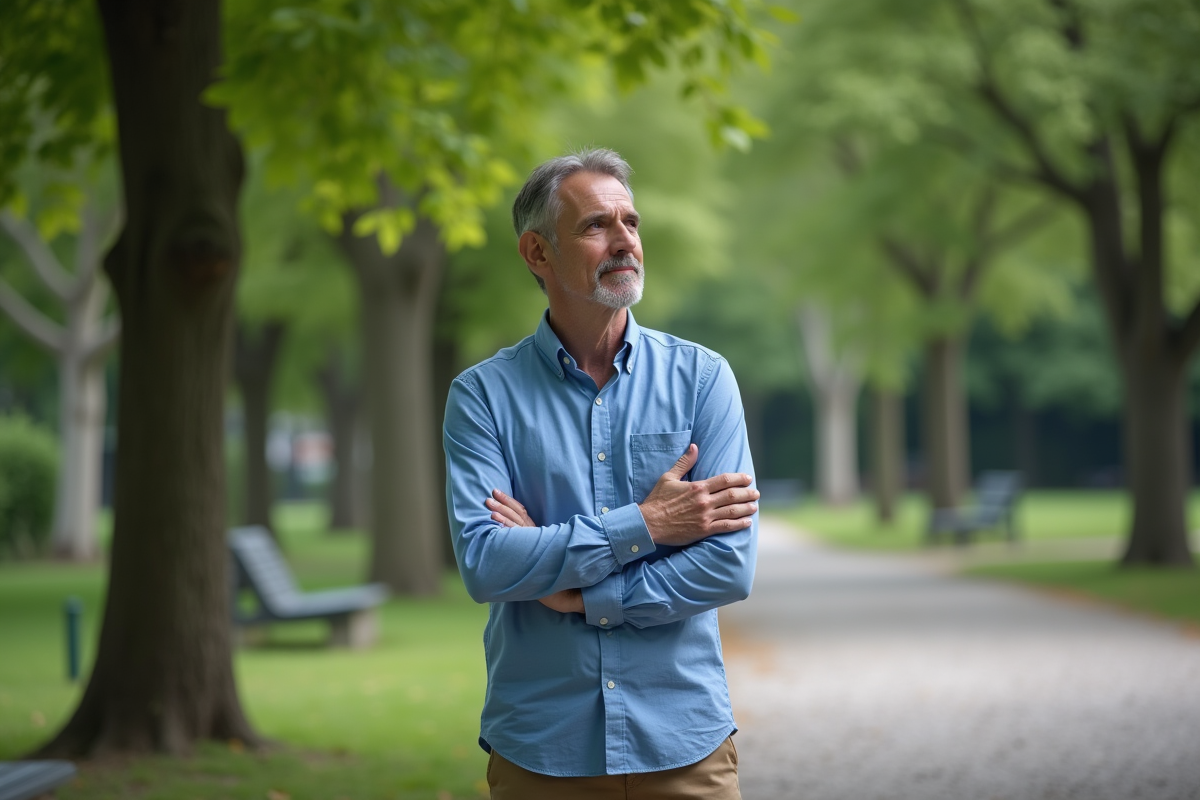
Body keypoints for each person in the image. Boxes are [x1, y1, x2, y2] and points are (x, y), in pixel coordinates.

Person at [443, 148, 759, 799]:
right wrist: (648, 524)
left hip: (684, 747)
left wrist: (580, 595)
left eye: (631, 222)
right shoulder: (482, 397)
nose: (624, 242)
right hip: (540, 751)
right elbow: (487, 562)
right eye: (596, 226)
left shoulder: (702, 380)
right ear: (537, 253)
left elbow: (729, 565)